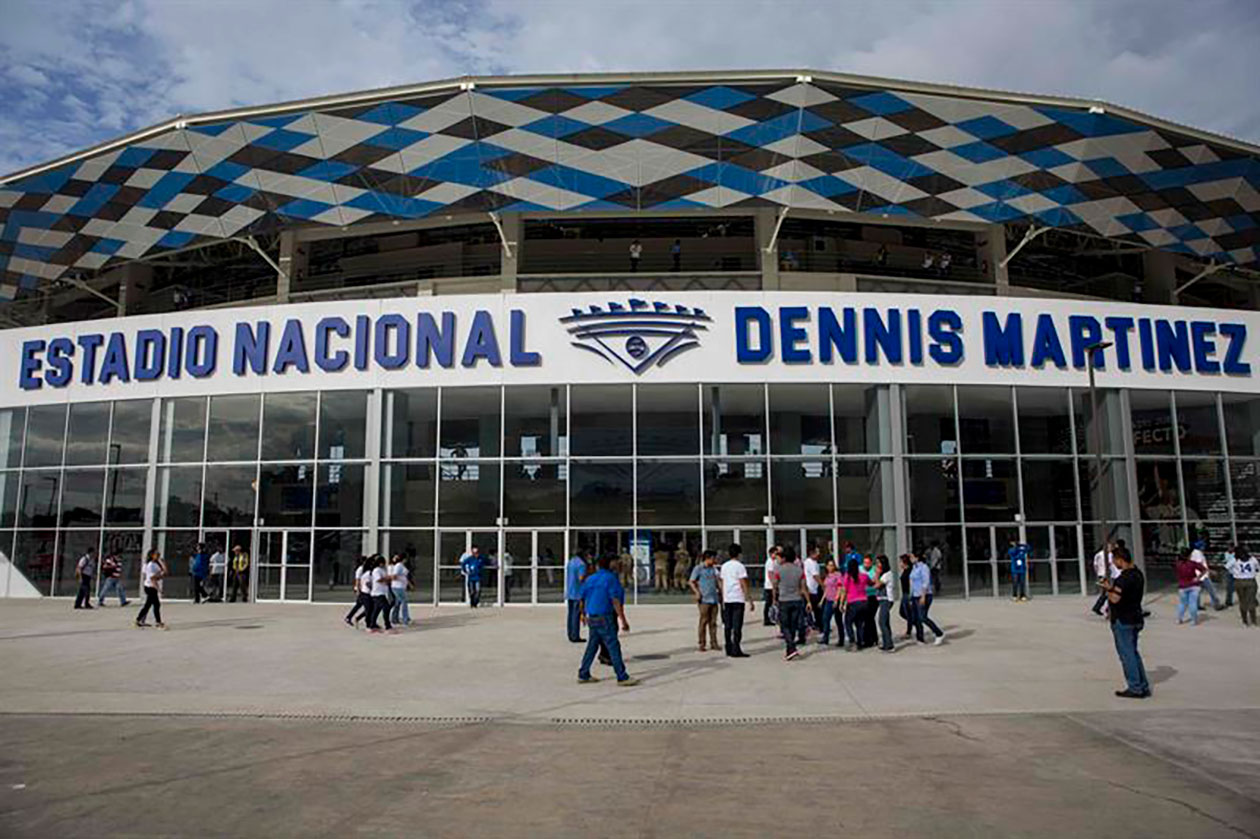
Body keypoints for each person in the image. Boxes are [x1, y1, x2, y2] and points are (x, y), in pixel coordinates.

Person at [577, 555, 637, 685]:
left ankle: (583, 673)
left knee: (592, 646)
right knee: (613, 646)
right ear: (611, 564)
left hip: (592, 617)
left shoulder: (590, 579)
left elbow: (582, 597)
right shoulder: (611, 579)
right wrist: (623, 620)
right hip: (605, 617)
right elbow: (615, 600)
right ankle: (622, 676)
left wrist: (582, 614)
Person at [1100, 548, 1150, 698]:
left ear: (1120, 559)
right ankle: (1143, 685)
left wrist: (1108, 590)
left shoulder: (1124, 578)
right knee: (1133, 653)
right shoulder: (1138, 574)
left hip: (1123, 619)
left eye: (1115, 561)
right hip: (1136, 617)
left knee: (1127, 655)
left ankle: (1135, 687)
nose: (1114, 564)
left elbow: (1115, 599)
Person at [771, 546, 810, 661]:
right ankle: (790, 651)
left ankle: (792, 647)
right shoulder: (799, 570)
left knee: (785, 626)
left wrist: (774, 598)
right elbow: (803, 588)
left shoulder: (779, 569)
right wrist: (808, 601)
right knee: (793, 625)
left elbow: (775, 585)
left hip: (784, 600)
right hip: (797, 599)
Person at [719, 543, 753, 658]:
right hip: (737, 598)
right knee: (737, 625)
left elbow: (722, 582)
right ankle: (736, 648)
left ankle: (728, 647)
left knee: (728, 625)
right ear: (739, 554)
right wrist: (749, 599)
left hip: (727, 598)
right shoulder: (740, 566)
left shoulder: (724, 566)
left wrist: (723, 598)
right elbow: (743, 583)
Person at [908, 552, 945, 645]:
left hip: (924, 595)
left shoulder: (924, 567)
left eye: (912, 557)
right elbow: (912, 583)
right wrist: (911, 596)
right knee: (916, 618)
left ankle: (939, 633)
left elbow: (926, 582)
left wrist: (923, 596)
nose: (910, 559)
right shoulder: (914, 567)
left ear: (917, 557)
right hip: (915, 595)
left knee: (923, 617)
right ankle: (920, 638)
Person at [688, 549, 721, 652]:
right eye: (713, 558)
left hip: (714, 598)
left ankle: (714, 643)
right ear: (708, 558)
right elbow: (691, 581)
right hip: (704, 599)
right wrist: (697, 592)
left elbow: (718, 581)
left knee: (713, 622)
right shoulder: (699, 568)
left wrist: (721, 592)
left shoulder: (714, 569)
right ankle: (702, 643)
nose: (715, 560)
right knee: (703, 621)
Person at [1225, 546, 1258, 626]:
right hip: (1250, 580)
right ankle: (1253, 620)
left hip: (1239, 581)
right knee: (1251, 600)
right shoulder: (1252, 559)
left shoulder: (1235, 560)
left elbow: (1226, 567)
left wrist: (1234, 572)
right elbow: (1257, 568)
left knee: (1242, 601)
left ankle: (1245, 620)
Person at [135, 549, 167, 629]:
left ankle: (139, 619)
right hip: (150, 587)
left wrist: (162, 563)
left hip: (151, 586)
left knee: (148, 605)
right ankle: (158, 622)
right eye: (156, 554)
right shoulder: (150, 565)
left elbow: (164, 572)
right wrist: (159, 589)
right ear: (152, 555)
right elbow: (152, 578)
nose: (158, 555)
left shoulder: (155, 564)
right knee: (156, 604)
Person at [840, 557, 867, 651]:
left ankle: (852, 642)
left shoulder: (847, 577)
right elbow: (871, 583)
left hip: (852, 603)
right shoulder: (863, 576)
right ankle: (861, 641)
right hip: (863, 602)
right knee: (859, 623)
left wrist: (841, 603)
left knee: (848, 622)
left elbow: (844, 591)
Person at [1190, 541, 1223, 611]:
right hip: (1202, 575)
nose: (1204, 548)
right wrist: (1210, 571)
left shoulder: (1194, 553)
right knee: (1212, 590)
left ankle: (1197, 605)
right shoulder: (1198, 554)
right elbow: (1200, 565)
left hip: (1198, 575)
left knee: (1198, 591)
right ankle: (1217, 605)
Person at [366, 556, 395, 634]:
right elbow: (378, 579)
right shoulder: (376, 570)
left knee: (376, 610)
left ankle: (372, 626)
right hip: (377, 593)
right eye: (383, 562)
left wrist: (388, 579)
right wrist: (388, 578)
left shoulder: (382, 570)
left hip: (381, 592)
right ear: (380, 563)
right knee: (386, 608)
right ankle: (388, 626)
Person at [565, 549, 589, 643]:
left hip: (570, 592)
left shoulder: (571, 562)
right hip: (578, 593)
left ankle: (571, 634)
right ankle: (575, 636)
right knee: (576, 615)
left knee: (570, 615)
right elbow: (581, 578)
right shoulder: (581, 564)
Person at [1175, 548, 1203, 626]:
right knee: (1192, 603)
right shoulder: (1192, 563)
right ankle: (1193, 620)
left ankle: (1179, 619)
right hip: (1194, 585)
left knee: (1182, 603)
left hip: (1182, 586)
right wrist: (1198, 577)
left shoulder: (1178, 564)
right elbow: (1204, 569)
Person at [820, 559, 843, 645]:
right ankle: (825, 638)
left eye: (832, 565)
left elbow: (840, 588)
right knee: (825, 619)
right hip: (828, 600)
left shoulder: (838, 575)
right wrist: (822, 600)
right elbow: (826, 589)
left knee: (838, 620)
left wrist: (837, 600)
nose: (830, 567)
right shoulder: (827, 576)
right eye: (829, 565)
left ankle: (841, 639)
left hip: (835, 600)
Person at [876, 555, 896, 652]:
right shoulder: (884, 574)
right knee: (885, 622)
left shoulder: (886, 575)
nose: (877, 565)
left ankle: (889, 645)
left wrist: (876, 574)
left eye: (879, 563)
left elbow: (877, 585)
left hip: (886, 600)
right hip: (882, 599)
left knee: (882, 622)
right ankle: (886, 643)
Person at [344, 556, 371, 626]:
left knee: (358, 605)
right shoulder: (360, 569)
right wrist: (358, 589)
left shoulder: (365, 569)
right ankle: (360, 618)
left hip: (363, 590)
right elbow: (357, 580)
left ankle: (349, 617)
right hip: (362, 590)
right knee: (369, 607)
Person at [1090, 542, 1115, 616]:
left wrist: (1098, 574)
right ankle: (1102, 607)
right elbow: (1111, 564)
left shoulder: (1098, 554)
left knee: (1105, 592)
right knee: (1108, 591)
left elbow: (1095, 565)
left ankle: (1099, 607)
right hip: (1107, 575)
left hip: (1101, 574)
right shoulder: (1109, 555)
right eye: (1109, 547)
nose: (1111, 548)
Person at [802, 545, 823, 632]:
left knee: (815, 609)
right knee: (816, 609)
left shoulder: (813, 562)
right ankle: (818, 625)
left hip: (814, 588)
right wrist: (823, 585)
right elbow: (815, 576)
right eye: (817, 552)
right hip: (811, 589)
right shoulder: (811, 563)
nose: (819, 554)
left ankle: (813, 623)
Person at [389, 554, 411, 626]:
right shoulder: (399, 566)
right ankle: (405, 619)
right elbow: (394, 576)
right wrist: (400, 579)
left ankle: (394, 619)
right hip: (398, 587)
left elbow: (403, 576)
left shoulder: (401, 566)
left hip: (400, 587)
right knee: (404, 602)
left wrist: (408, 583)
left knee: (397, 603)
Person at [762, 545, 780, 626]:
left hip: (775, 585)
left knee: (774, 602)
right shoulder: (769, 562)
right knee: (768, 603)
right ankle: (766, 619)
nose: (776, 555)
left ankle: (774, 617)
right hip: (769, 586)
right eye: (775, 554)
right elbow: (770, 574)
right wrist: (774, 584)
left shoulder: (775, 562)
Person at [899, 554, 914, 637]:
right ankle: (913, 623)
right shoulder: (905, 571)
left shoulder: (910, 572)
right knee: (902, 612)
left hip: (908, 594)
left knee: (908, 613)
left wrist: (911, 597)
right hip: (904, 594)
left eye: (901, 562)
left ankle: (909, 631)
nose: (900, 564)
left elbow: (911, 584)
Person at [1223, 544, 1238, 608]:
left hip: (1236, 572)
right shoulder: (1225, 554)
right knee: (1229, 588)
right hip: (1229, 572)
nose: (1230, 549)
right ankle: (1229, 601)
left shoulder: (1235, 555)